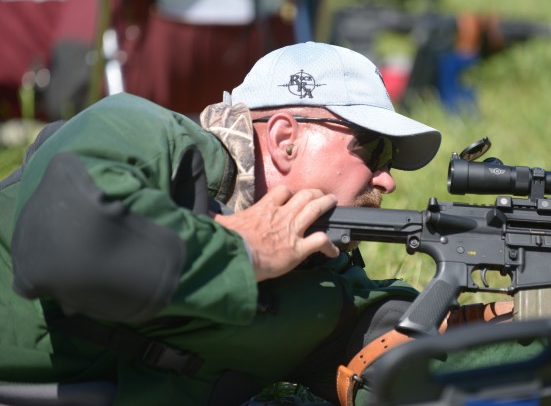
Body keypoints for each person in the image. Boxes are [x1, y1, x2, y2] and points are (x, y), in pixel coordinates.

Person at [0, 41, 441, 405]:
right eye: (375, 150)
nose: (387, 180)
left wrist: (494, 325)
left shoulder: (322, 283)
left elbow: (393, 354)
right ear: (286, 138)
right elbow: (64, 243)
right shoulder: (141, 135)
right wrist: (245, 253)